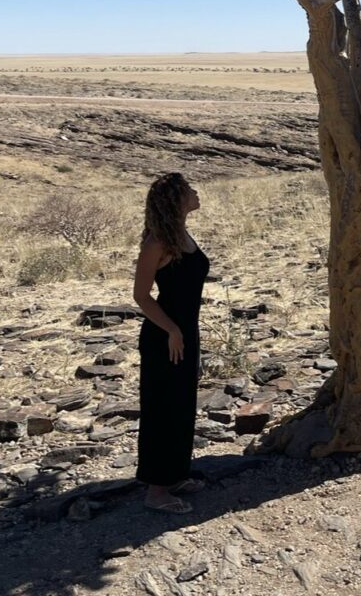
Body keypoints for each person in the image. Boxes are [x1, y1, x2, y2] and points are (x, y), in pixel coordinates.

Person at [133, 172, 210, 513]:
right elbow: (141, 295)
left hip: (184, 331)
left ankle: (175, 474)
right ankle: (156, 491)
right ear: (176, 199)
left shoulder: (181, 234)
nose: (195, 193)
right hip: (164, 336)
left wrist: (184, 331)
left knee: (182, 404)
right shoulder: (157, 242)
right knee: (162, 407)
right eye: (189, 189)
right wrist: (172, 330)